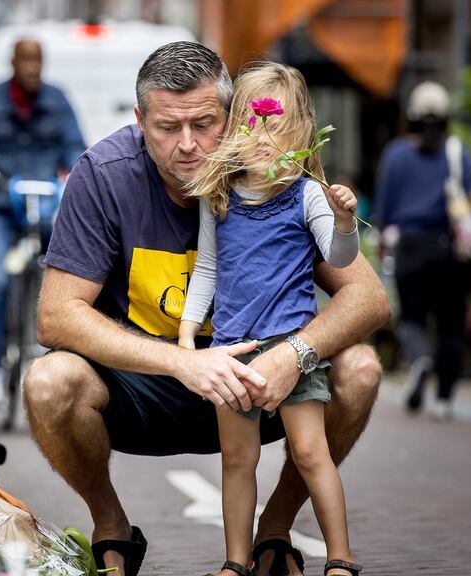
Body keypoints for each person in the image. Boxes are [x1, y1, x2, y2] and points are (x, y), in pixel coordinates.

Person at [24, 41, 388, 576]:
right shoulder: (103, 174)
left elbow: (368, 297)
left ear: (235, 116)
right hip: (147, 386)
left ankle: (275, 530)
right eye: (168, 127)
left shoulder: (279, 177)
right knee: (48, 382)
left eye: (205, 123)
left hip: (264, 380)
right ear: (140, 120)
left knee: (359, 369)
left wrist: (294, 355)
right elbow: (55, 316)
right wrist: (181, 360)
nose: (188, 145)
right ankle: (111, 527)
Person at [177, 62, 361, 576]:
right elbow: (208, 270)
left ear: (299, 132)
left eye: (276, 126)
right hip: (233, 351)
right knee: (237, 460)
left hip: (292, 347)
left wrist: (344, 220)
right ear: (235, 127)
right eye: (251, 125)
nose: (262, 138)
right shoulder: (218, 199)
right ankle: (236, 562)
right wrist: (190, 333)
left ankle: (341, 558)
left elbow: (341, 259)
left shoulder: (305, 195)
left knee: (309, 453)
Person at [0, 38, 86, 407]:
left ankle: (66, 361)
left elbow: (76, 147)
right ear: (13, 62)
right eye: (25, 60)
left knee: (68, 277)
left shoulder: (58, 101)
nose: (32, 67)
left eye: (37, 60)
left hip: (44, 207)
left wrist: (79, 174)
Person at [373, 81, 471, 421]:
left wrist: (382, 245)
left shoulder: (395, 154)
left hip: (409, 246)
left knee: (412, 318)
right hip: (448, 248)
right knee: (451, 324)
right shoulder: (455, 151)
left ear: (413, 119)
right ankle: (444, 400)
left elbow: (383, 212)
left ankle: (420, 357)